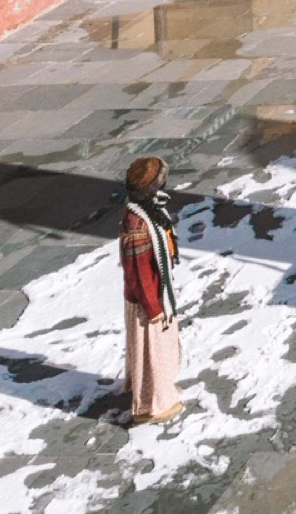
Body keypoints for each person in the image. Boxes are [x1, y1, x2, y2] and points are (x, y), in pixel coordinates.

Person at [119, 154, 184, 425]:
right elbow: (138, 272)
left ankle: (153, 392)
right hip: (149, 300)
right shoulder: (137, 224)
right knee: (152, 352)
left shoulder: (149, 211)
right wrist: (153, 307)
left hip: (156, 293)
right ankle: (152, 406)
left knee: (156, 350)